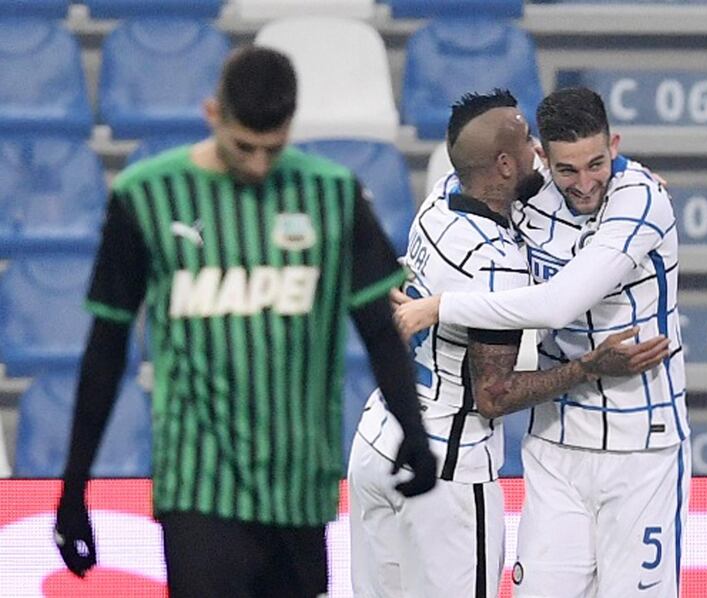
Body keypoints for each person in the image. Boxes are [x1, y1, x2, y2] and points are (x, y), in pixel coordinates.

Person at [53, 45, 437, 598]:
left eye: (273, 149)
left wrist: (413, 430)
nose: (259, 164)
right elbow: (107, 345)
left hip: (300, 481)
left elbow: (379, 329)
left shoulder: (333, 195)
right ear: (214, 115)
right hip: (198, 484)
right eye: (245, 147)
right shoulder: (146, 196)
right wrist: (73, 487)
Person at [348, 89, 670, 597]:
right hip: (446, 462)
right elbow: (493, 394)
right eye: (527, 143)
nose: (538, 150)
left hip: (377, 439)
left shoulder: (440, 199)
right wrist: (587, 368)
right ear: (503, 165)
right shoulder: (496, 260)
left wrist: (628, 173)